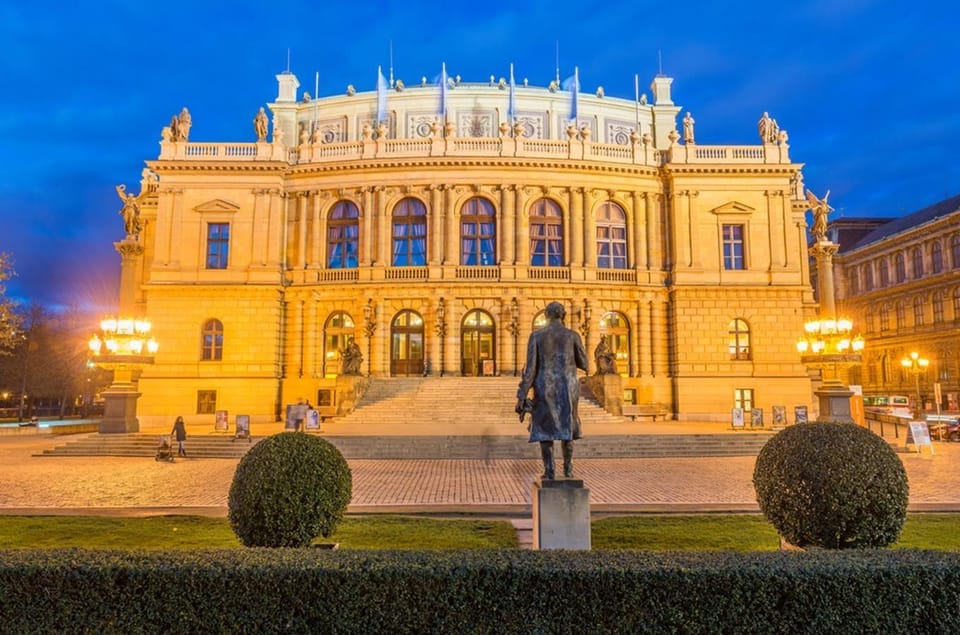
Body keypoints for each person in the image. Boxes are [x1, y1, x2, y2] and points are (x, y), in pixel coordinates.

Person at [516, 301, 589, 480]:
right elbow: (585, 364)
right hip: (568, 388)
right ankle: (568, 469)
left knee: (545, 431)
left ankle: (549, 471)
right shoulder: (573, 335)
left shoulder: (537, 336)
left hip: (544, 388)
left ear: (546, 315)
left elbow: (530, 370)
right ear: (563, 315)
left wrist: (522, 395)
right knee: (568, 429)